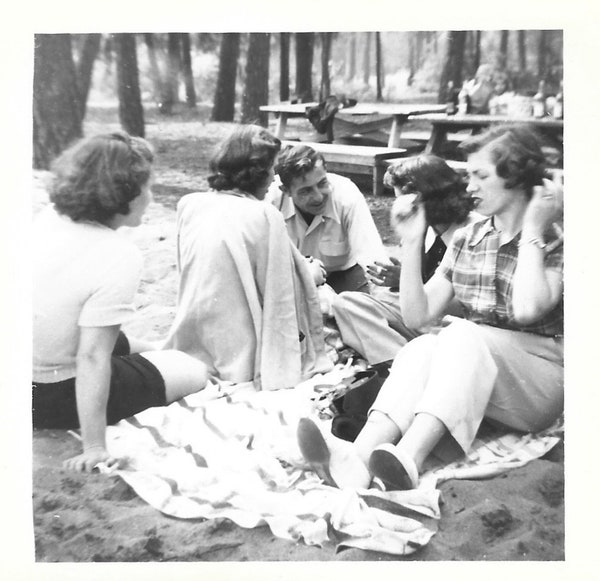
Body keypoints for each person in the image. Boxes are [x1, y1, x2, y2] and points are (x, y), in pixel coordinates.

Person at [298, 124, 564, 490]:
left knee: (462, 334)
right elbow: (418, 316)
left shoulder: (552, 240)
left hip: (539, 387)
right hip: (488, 384)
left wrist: (534, 225)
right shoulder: (470, 238)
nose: (469, 187)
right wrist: (411, 240)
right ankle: (359, 457)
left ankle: (410, 456)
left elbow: (528, 310)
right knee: (423, 345)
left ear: (516, 178)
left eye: (480, 175)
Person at [33, 132, 209, 473]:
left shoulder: (50, 217)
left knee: (156, 347)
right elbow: (92, 356)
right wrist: (94, 446)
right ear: (122, 194)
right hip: (54, 392)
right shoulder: (118, 255)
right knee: (194, 370)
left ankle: (160, 354)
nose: (150, 196)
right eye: (146, 187)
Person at [163, 125, 332, 390]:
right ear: (257, 173)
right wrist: (310, 276)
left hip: (191, 338)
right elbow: (281, 295)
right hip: (239, 352)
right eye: (272, 172)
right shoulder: (264, 215)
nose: (274, 181)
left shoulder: (190, 204)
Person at [331, 155, 478, 366]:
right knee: (346, 303)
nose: (399, 207)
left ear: (426, 196)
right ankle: (398, 362)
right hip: (425, 319)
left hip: (458, 325)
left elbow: (468, 305)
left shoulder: (472, 231)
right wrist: (402, 277)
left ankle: (408, 364)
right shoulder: (422, 228)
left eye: (403, 199)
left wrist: (411, 283)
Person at [265, 144, 388, 294]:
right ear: (286, 191)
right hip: (292, 277)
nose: (318, 197)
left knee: (359, 307)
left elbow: (372, 256)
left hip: (343, 275)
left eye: (322, 184)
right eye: (306, 191)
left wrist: (383, 303)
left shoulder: (346, 195)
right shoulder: (269, 202)